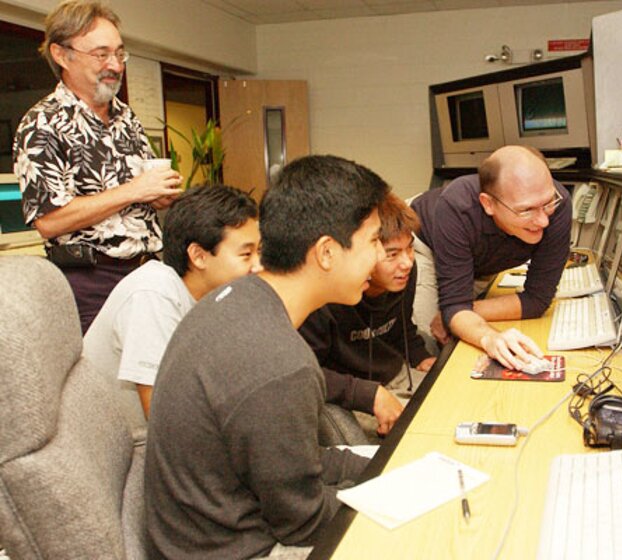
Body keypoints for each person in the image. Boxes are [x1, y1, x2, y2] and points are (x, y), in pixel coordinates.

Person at [144, 155, 389, 559]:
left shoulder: (236, 297)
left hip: (209, 525)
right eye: (374, 240)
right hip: (236, 550)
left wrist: (385, 465)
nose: (379, 257)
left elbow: (296, 464)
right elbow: (304, 521)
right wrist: (391, 490)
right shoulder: (279, 363)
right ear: (327, 252)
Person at [13, 0, 182, 333]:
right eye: (101, 54)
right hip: (92, 284)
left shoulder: (126, 117)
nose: (115, 65)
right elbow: (49, 221)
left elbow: (139, 194)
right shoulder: (42, 124)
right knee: (108, 382)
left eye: (119, 54)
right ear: (62, 54)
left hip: (147, 269)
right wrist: (134, 190)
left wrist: (156, 196)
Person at [83, 185, 260, 433]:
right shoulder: (153, 293)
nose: (258, 265)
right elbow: (164, 418)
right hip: (131, 446)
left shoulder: (212, 298)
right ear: (198, 256)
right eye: (246, 254)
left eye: (259, 252)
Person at [410, 145, 572, 370]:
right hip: (424, 242)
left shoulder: (559, 202)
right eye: (526, 211)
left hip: (479, 259)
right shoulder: (457, 206)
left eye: (547, 204)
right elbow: (456, 305)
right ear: (488, 204)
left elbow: (537, 300)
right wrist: (485, 334)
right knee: (428, 343)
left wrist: (456, 313)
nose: (543, 221)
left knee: (458, 323)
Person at [300, 193, 436, 440]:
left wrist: (420, 356)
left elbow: (400, 326)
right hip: (344, 392)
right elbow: (305, 374)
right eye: (392, 254)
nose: (406, 263)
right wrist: (368, 394)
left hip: (390, 374)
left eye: (410, 249)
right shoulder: (323, 295)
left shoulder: (402, 274)